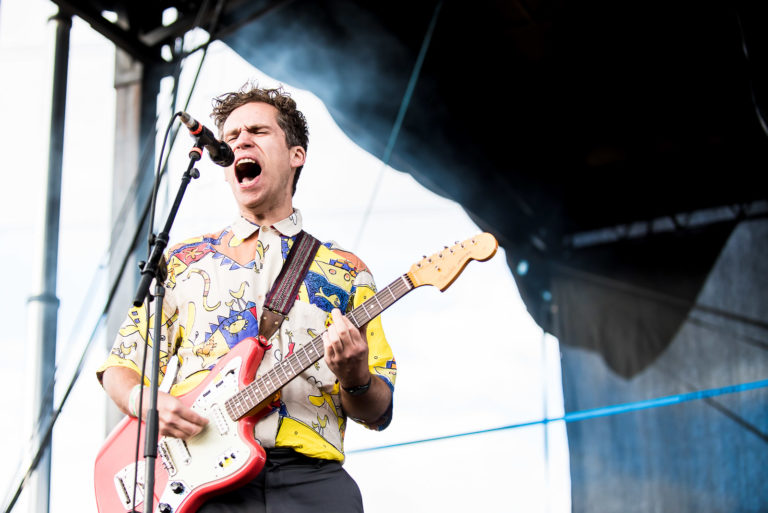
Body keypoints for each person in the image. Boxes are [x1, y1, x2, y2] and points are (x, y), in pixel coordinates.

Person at [97, 84, 397, 512]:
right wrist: (148, 404)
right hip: (201, 480)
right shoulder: (184, 261)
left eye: (258, 131)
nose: (241, 141)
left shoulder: (346, 272)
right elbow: (122, 364)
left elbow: (377, 412)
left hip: (311, 480)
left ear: (296, 155)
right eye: (232, 136)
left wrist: (355, 376)